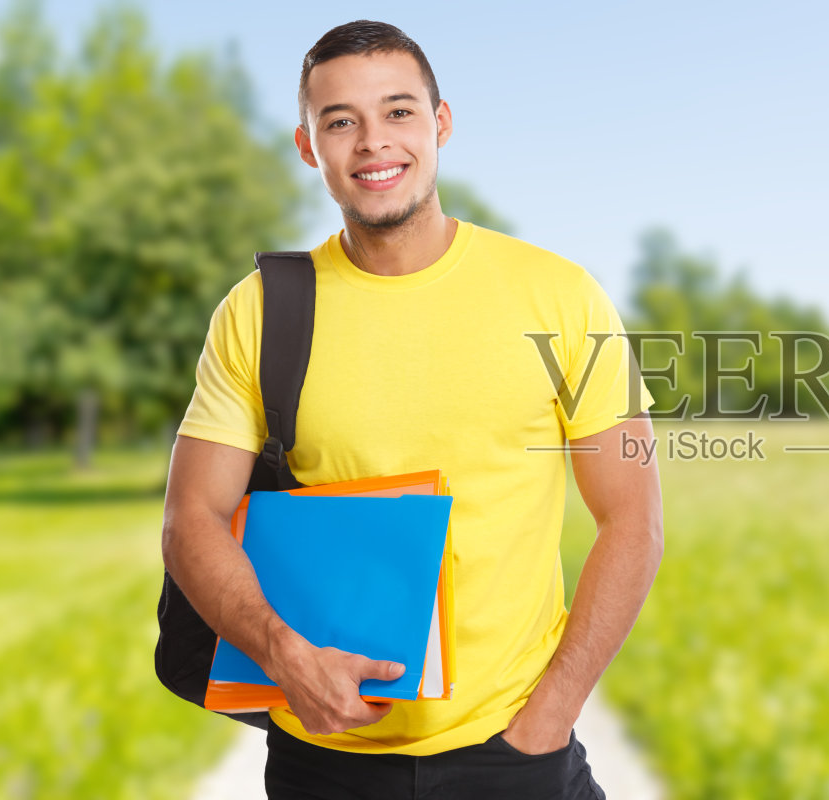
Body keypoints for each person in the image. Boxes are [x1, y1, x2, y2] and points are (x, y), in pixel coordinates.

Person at [160, 19, 663, 799]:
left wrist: (550, 716)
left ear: (441, 123)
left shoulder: (561, 296)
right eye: (340, 121)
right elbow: (191, 516)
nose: (373, 142)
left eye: (398, 111)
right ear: (307, 146)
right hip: (319, 753)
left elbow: (633, 519)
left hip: (514, 747)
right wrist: (283, 654)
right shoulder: (259, 311)